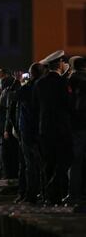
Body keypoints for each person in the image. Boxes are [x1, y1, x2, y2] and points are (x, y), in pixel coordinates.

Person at [34, 50, 72, 205]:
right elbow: (68, 104)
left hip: (44, 128)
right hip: (61, 128)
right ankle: (56, 192)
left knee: (48, 163)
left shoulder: (39, 83)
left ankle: (48, 196)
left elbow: (35, 106)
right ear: (60, 63)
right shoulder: (63, 82)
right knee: (64, 161)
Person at [15, 63, 45, 204]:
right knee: (43, 164)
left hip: (27, 131)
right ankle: (43, 193)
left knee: (29, 164)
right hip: (41, 130)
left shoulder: (26, 89)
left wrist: (20, 82)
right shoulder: (43, 88)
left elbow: (17, 97)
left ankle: (31, 194)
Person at [66, 56, 86, 203]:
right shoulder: (83, 79)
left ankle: (74, 194)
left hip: (75, 126)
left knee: (75, 162)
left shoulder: (71, 80)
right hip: (81, 125)